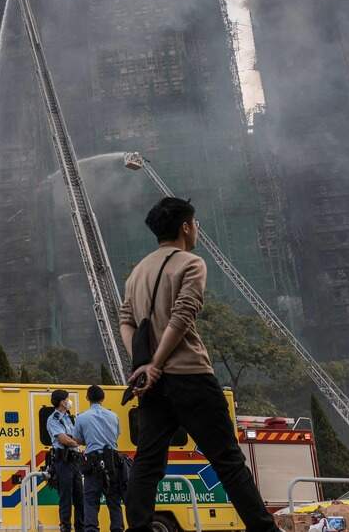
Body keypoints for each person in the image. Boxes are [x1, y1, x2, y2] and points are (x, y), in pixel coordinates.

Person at [120, 197, 278, 532]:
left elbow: (126, 322)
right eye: (196, 223)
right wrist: (156, 363)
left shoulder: (137, 273)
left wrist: (143, 366)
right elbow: (182, 317)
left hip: (152, 386)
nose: (197, 229)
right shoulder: (191, 263)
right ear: (185, 227)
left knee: (147, 463)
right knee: (228, 461)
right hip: (190, 376)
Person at [74, 385, 123, 532]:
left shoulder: (81, 417)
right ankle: (117, 529)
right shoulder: (113, 416)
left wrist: (90, 441)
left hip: (93, 463)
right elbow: (116, 436)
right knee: (114, 500)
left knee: (90, 500)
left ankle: (91, 529)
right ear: (103, 398)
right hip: (112, 461)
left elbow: (78, 439)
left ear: (87, 398)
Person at [47, 389, 85, 532]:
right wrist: (78, 443)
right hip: (63, 461)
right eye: (67, 399)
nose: (69, 401)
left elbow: (75, 436)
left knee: (79, 497)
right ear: (62, 402)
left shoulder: (69, 417)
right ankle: (66, 527)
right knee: (66, 498)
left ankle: (81, 527)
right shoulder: (53, 419)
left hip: (75, 461)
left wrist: (76, 441)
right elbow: (64, 439)